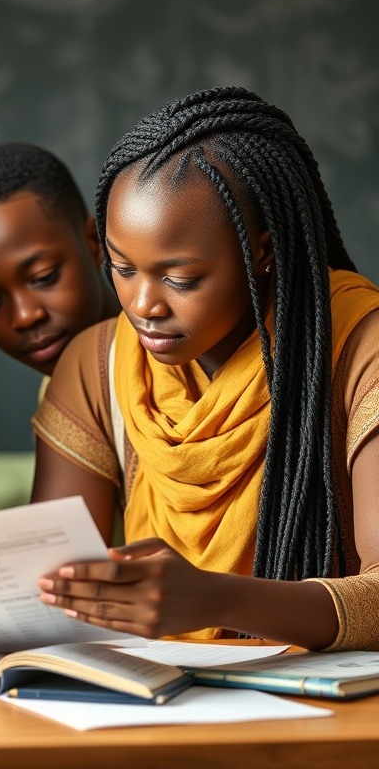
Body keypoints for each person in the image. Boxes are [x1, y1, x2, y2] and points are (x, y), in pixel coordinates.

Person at [32, 86, 379, 651]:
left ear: (261, 251)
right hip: (148, 704)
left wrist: (214, 598)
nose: (143, 305)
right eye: (121, 268)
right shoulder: (99, 364)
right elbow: (44, 585)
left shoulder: (360, 347)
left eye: (180, 279)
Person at [0, 143, 120, 380]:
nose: (24, 316)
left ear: (94, 243)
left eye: (44, 277)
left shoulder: (173, 368)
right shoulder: (59, 397)